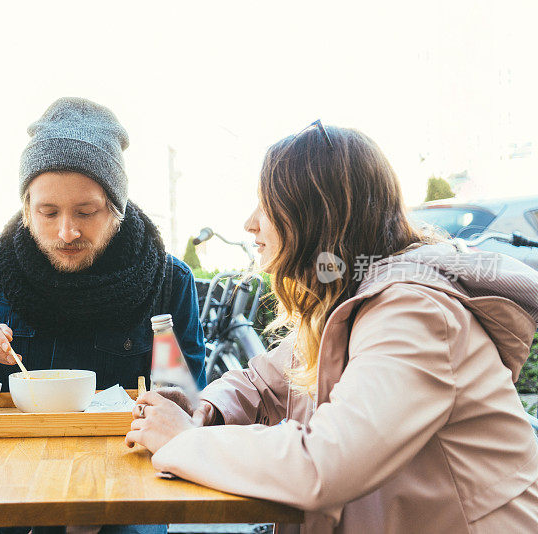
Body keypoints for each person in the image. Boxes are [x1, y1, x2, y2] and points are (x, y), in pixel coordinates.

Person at [126, 122, 538, 533]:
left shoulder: (413, 313)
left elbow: (325, 464)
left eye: (266, 204)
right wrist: (204, 409)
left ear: (316, 217)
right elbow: (260, 382)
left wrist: (185, 440)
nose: (251, 223)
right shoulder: (348, 303)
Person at [0, 97, 206, 534]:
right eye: (48, 212)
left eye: (86, 212)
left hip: (121, 487)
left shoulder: (166, 280)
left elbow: (187, 405)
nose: (66, 232)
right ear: (26, 205)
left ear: (116, 208)